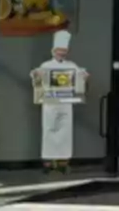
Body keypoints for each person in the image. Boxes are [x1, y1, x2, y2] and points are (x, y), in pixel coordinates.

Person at [30, 30, 88, 173]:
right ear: (53, 51)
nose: (61, 53)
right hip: (50, 104)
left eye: (64, 50)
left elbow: (80, 81)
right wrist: (36, 75)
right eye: (59, 50)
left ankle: (63, 161)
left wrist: (84, 77)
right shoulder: (46, 66)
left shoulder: (72, 66)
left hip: (66, 104)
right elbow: (36, 80)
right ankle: (48, 162)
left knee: (65, 132)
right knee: (49, 130)